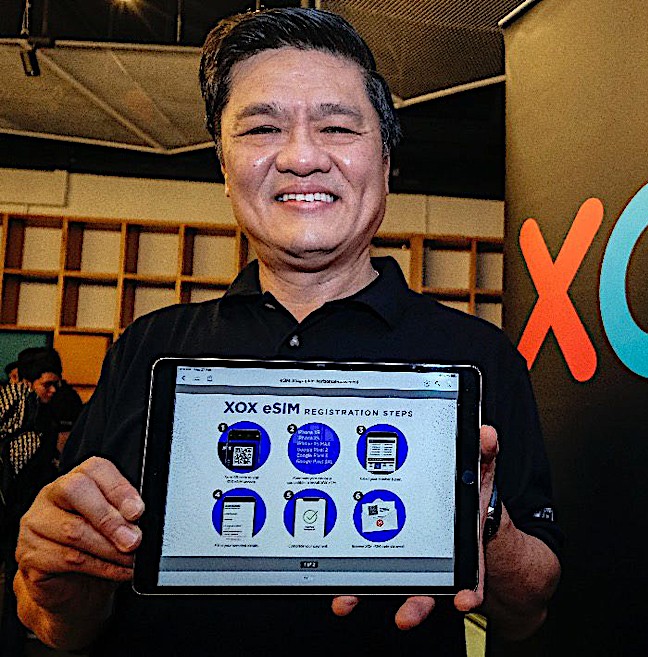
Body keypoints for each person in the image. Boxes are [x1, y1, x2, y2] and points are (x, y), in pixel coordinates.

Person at [13, 8, 562, 657]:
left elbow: (528, 613)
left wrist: (482, 524)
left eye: (337, 127)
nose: (302, 157)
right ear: (225, 169)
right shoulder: (148, 347)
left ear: (386, 161)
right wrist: (55, 591)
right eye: (262, 127)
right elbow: (60, 624)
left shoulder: (477, 353)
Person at [1, 347, 66, 656]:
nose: (52, 391)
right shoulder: (26, 409)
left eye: (56, 384)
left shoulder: (37, 413)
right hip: (15, 512)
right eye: (47, 384)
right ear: (27, 381)